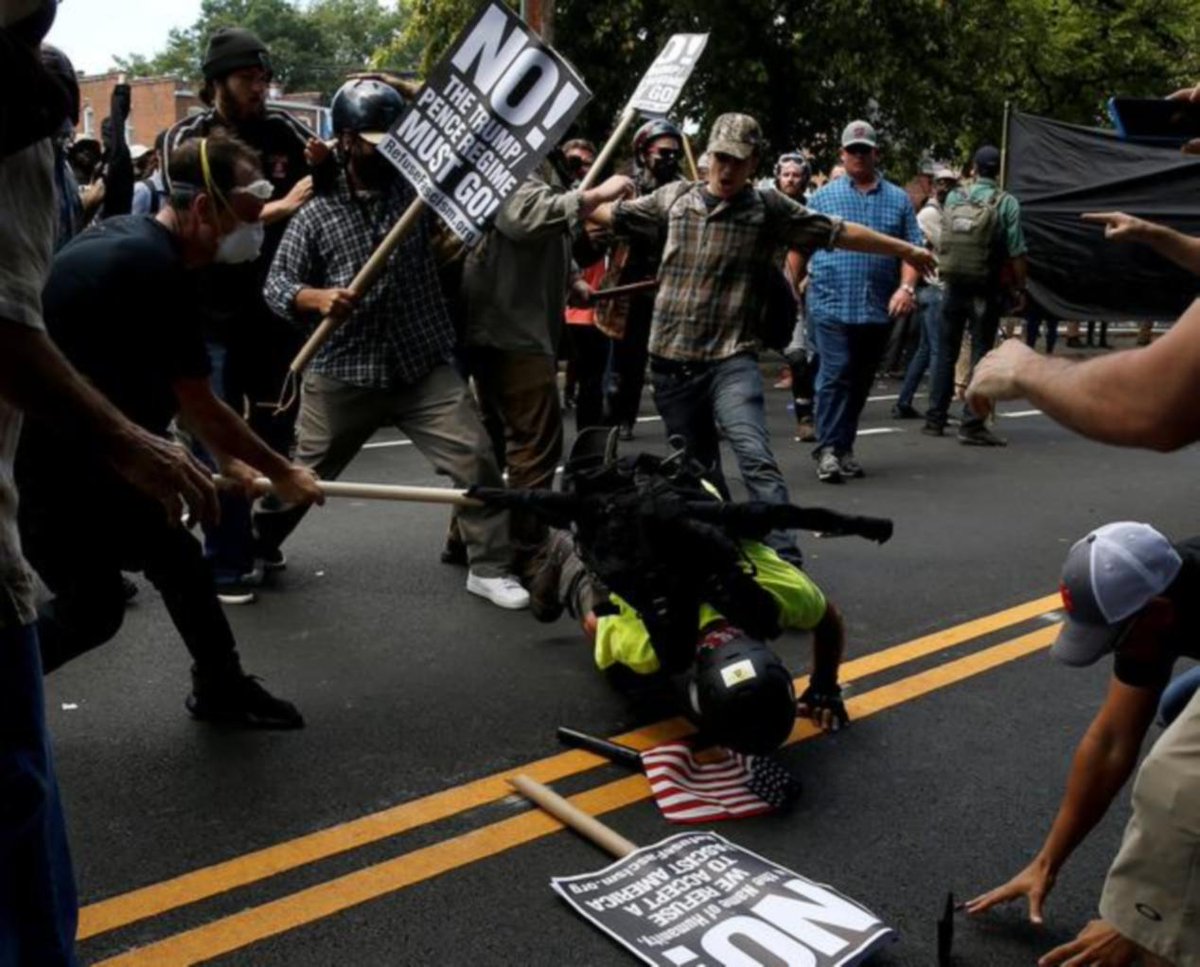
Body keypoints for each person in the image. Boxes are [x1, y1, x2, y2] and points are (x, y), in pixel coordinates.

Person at [1, 3, 222, 963]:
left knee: (163, 558)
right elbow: (9, 334)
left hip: (58, 449)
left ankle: (224, 678)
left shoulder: (121, 241)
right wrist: (140, 444)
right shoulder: (20, 143)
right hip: (52, 459)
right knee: (15, 788)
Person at [17, 135, 324, 728]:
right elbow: (202, 403)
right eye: (248, 214)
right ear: (204, 209)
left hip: (87, 456)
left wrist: (228, 462)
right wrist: (283, 473)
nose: (255, 231)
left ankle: (221, 685)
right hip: (54, 467)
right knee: (93, 608)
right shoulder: (154, 268)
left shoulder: (132, 246)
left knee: (176, 557)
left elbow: (160, 382)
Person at [590, 114, 933, 562]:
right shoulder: (672, 199)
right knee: (698, 472)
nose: (726, 170)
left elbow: (839, 232)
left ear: (754, 163)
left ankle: (785, 555)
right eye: (720, 159)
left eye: (738, 161)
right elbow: (601, 214)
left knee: (754, 455)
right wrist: (597, 193)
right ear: (709, 157)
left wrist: (905, 249)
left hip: (731, 360)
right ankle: (721, 551)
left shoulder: (769, 209)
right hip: (672, 364)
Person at [256, 80, 529, 610]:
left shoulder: (418, 194)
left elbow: (464, 146)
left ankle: (490, 566)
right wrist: (316, 299)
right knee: (304, 479)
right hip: (343, 371)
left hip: (420, 362)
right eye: (378, 140)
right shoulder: (316, 210)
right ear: (349, 140)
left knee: (475, 458)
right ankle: (256, 544)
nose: (390, 151)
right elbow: (276, 286)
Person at [966, 522, 1199, 967]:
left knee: (1175, 775)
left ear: (1158, 613)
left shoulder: (1154, 612)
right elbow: (1112, 739)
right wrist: (1046, 862)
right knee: (1176, 707)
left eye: (1116, 640)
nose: (1116, 653)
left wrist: (1141, 921)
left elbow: (1179, 793)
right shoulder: (1156, 604)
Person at [161, 25, 315, 603]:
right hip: (208, 313)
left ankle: (257, 540)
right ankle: (224, 560)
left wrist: (326, 164)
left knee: (275, 429)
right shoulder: (189, 137)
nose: (259, 88)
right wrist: (273, 208)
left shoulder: (283, 130)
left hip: (274, 310)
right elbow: (194, 214)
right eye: (247, 78)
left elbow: (318, 185)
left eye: (264, 77)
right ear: (216, 82)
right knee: (217, 433)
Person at [459, 147, 633, 579]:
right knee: (534, 444)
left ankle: (466, 536)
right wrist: (595, 195)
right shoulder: (501, 158)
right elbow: (523, 217)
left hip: (517, 321)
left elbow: (546, 233)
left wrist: (571, 277)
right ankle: (526, 548)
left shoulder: (528, 158)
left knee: (494, 439)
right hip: (509, 327)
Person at [804, 120, 927, 482]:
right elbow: (802, 243)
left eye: (864, 149)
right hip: (830, 302)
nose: (858, 155)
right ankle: (827, 449)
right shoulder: (823, 198)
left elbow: (913, 251)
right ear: (842, 154)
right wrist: (793, 283)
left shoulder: (898, 199)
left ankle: (844, 446)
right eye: (851, 150)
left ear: (875, 153)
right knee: (835, 371)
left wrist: (905, 289)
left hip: (876, 307)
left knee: (859, 381)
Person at [922, 144, 1028, 446]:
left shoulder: (956, 196)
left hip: (953, 285)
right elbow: (1017, 249)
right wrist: (1020, 288)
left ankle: (935, 418)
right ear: (999, 169)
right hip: (986, 288)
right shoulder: (1006, 202)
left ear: (974, 168)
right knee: (982, 356)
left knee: (946, 351)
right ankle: (972, 423)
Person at [598, 118, 686, 440]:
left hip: (669, 286)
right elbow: (605, 226)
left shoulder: (683, 188)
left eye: (675, 153)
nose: (670, 159)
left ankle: (683, 425)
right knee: (626, 362)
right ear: (643, 152)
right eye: (663, 152)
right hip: (628, 286)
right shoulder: (624, 186)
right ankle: (620, 418)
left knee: (673, 361)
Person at [893, 165, 958, 419]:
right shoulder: (931, 215)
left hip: (934, 286)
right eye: (941, 183)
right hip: (933, 287)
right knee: (937, 350)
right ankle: (936, 408)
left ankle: (904, 401)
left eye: (949, 183)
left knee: (924, 349)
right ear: (933, 186)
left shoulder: (941, 211)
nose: (945, 187)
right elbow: (949, 245)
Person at [560, 138, 611, 433]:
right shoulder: (548, 199)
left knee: (592, 381)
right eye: (573, 162)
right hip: (554, 308)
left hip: (592, 302)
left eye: (587, 164)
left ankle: (587, 450)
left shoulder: (602, 202)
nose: (580, 169)